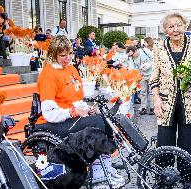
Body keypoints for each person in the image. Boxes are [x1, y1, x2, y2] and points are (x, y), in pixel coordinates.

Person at [35, 35, 125, 188]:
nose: (67, 58)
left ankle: (106, 165)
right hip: (53, 121)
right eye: (62, 55)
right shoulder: (49, 75)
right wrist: (73, 111)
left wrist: (87, 108)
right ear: (53, 54)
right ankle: (98, 172)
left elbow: (76, 98)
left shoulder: (71, 69)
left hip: (70, 115)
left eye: (69, 54)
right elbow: (49, 112)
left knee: (105, 117)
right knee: (96, 123)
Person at [150, 12, 191, 187]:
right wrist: (156, 99)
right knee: (164, 144)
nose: (176, 29)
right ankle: (164, 179)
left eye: (179, 25)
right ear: (165, 30)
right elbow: (154, 78)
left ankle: (189, 180)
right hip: (166, 103)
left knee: (189, 143)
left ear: (184, 25)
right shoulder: (159, 47)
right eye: (171, 26)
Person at [138, 37, 154, 115]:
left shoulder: (153, 50)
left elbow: (155, 61)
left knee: (149, 92)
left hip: (149, 73)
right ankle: (144, 107)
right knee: (144, 91)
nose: (143, 43)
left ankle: (151, 107)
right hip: (144, 73)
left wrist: (147, 65)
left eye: (145, 42)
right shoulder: (140, 51)